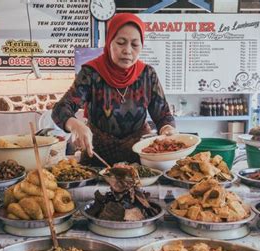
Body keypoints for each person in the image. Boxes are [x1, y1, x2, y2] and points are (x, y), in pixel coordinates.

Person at [52, 13, 177, 165]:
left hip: (139, 159)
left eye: (135, 44)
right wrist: (75, 125)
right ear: (109, 42)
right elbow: (60, 109)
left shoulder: (147, 74)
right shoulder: (91, 73)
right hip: (96, 158)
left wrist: (167, 129)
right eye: (121, 42)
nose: (127, 50)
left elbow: (163, 115)